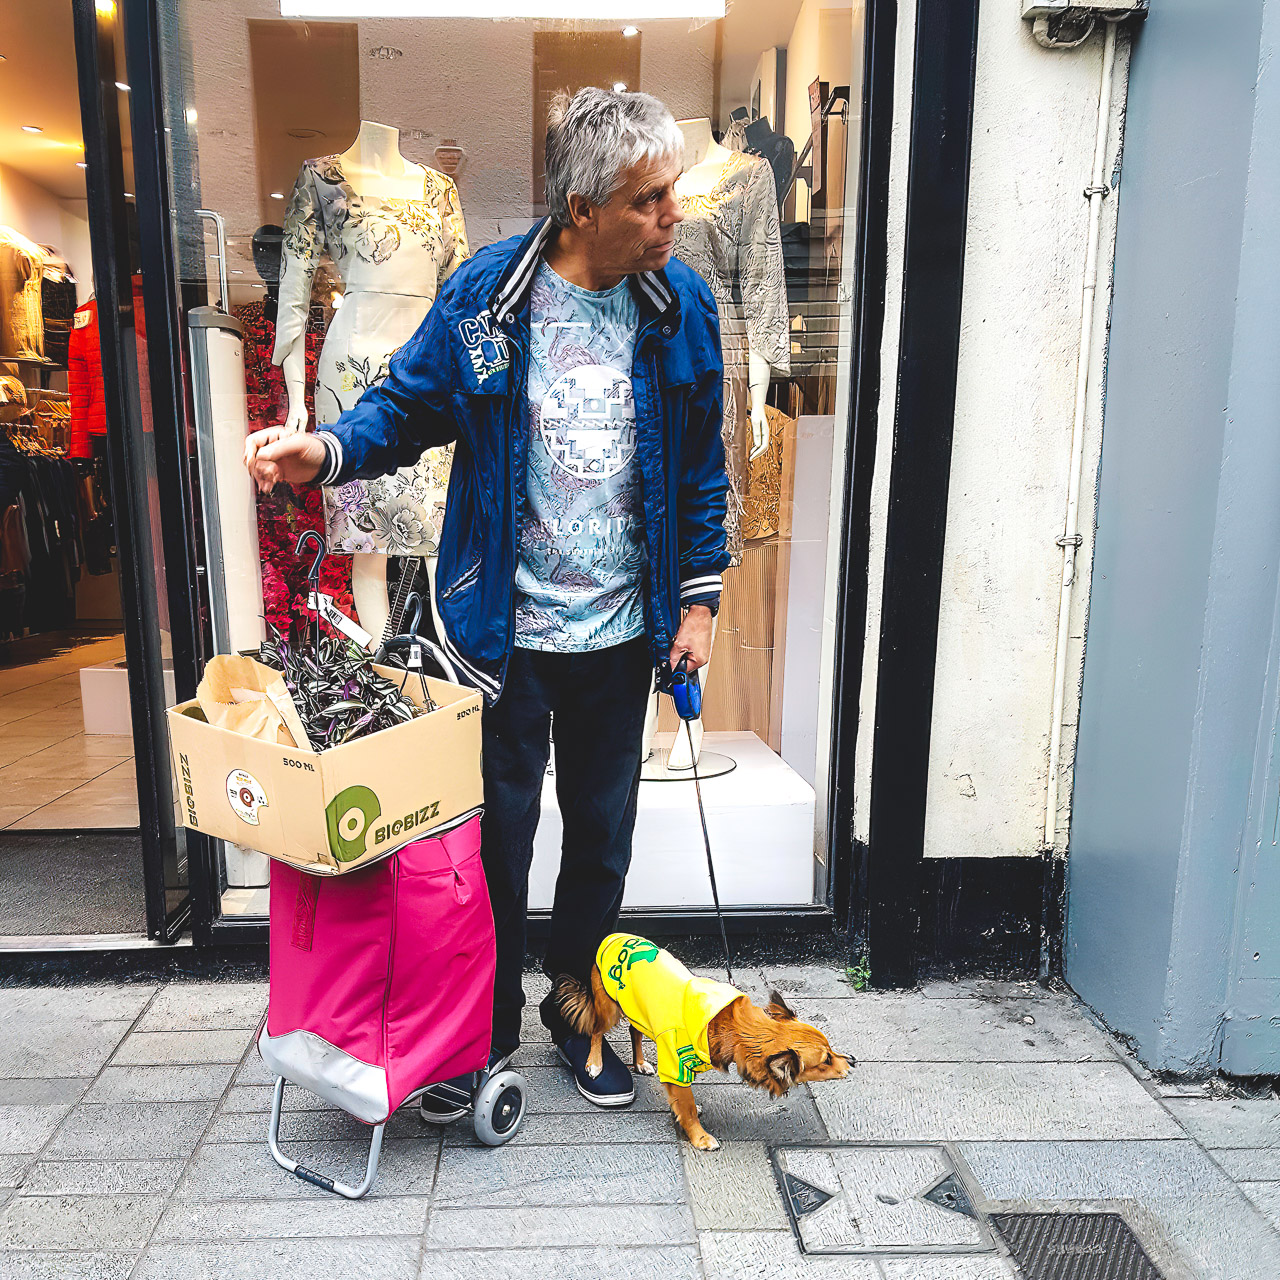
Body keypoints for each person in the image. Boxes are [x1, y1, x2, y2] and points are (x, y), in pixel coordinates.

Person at [244, 87, 729, 1112]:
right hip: (499, 628)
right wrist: (322, 450)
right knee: (492, 842)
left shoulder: (676, 305)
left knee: (600, 834)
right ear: (584, 207)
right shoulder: (490, 296)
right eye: (648, 201)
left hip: (619, 629)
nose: (669, 219)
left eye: (670, 196)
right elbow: (406, 403)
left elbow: (699, 469)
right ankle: (480, 1025)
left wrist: (698, 602)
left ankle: (576, 1010)